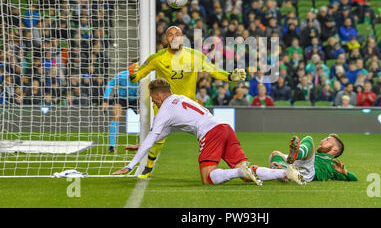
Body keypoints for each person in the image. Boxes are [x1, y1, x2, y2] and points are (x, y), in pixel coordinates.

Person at [112, 78, 306, 186]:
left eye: (153, 96)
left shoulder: (164, 109)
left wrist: (130, 166)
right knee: (247, 177)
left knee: (208, 178)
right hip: (226, 128)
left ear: (160, 95)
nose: (152, 100)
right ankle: (285, 173)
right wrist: (144, 144)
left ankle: (240, 170)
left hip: (211, 134)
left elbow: (155, 134)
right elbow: (165, 131)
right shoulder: (180, 98)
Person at [127, 26, 246, 178]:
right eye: (170, 35)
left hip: (189, 106)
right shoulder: (157, 58)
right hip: (165, 104)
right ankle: (149, 166)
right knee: (157, 137)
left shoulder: (195, 56)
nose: (174, 37)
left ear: (182, 38)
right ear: (166, 39)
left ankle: (234, 163)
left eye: (177, 34)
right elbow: (137, 76)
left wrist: (230, 77)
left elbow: (214, 71)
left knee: (208, 134)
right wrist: (132, 74)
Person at [269, 134, 358, 183]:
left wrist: (345, 173)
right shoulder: (315, 155)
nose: (322, 141)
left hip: (309, 173)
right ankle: (283, 173)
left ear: (335, 149)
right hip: (297, 170)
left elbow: (355, 178)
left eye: (327, 140)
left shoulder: (334, 163)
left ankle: (297, 154)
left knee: (309, 139)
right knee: (275, 154)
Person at [102, 62, 139, 152]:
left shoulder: (143, 78)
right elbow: (110, 84)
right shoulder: (122, 75)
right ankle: (111, 146)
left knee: (145, 117)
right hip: (121, 98)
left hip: (135, 100)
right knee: (116, 116)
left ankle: (146, 143)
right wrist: (105, 100)